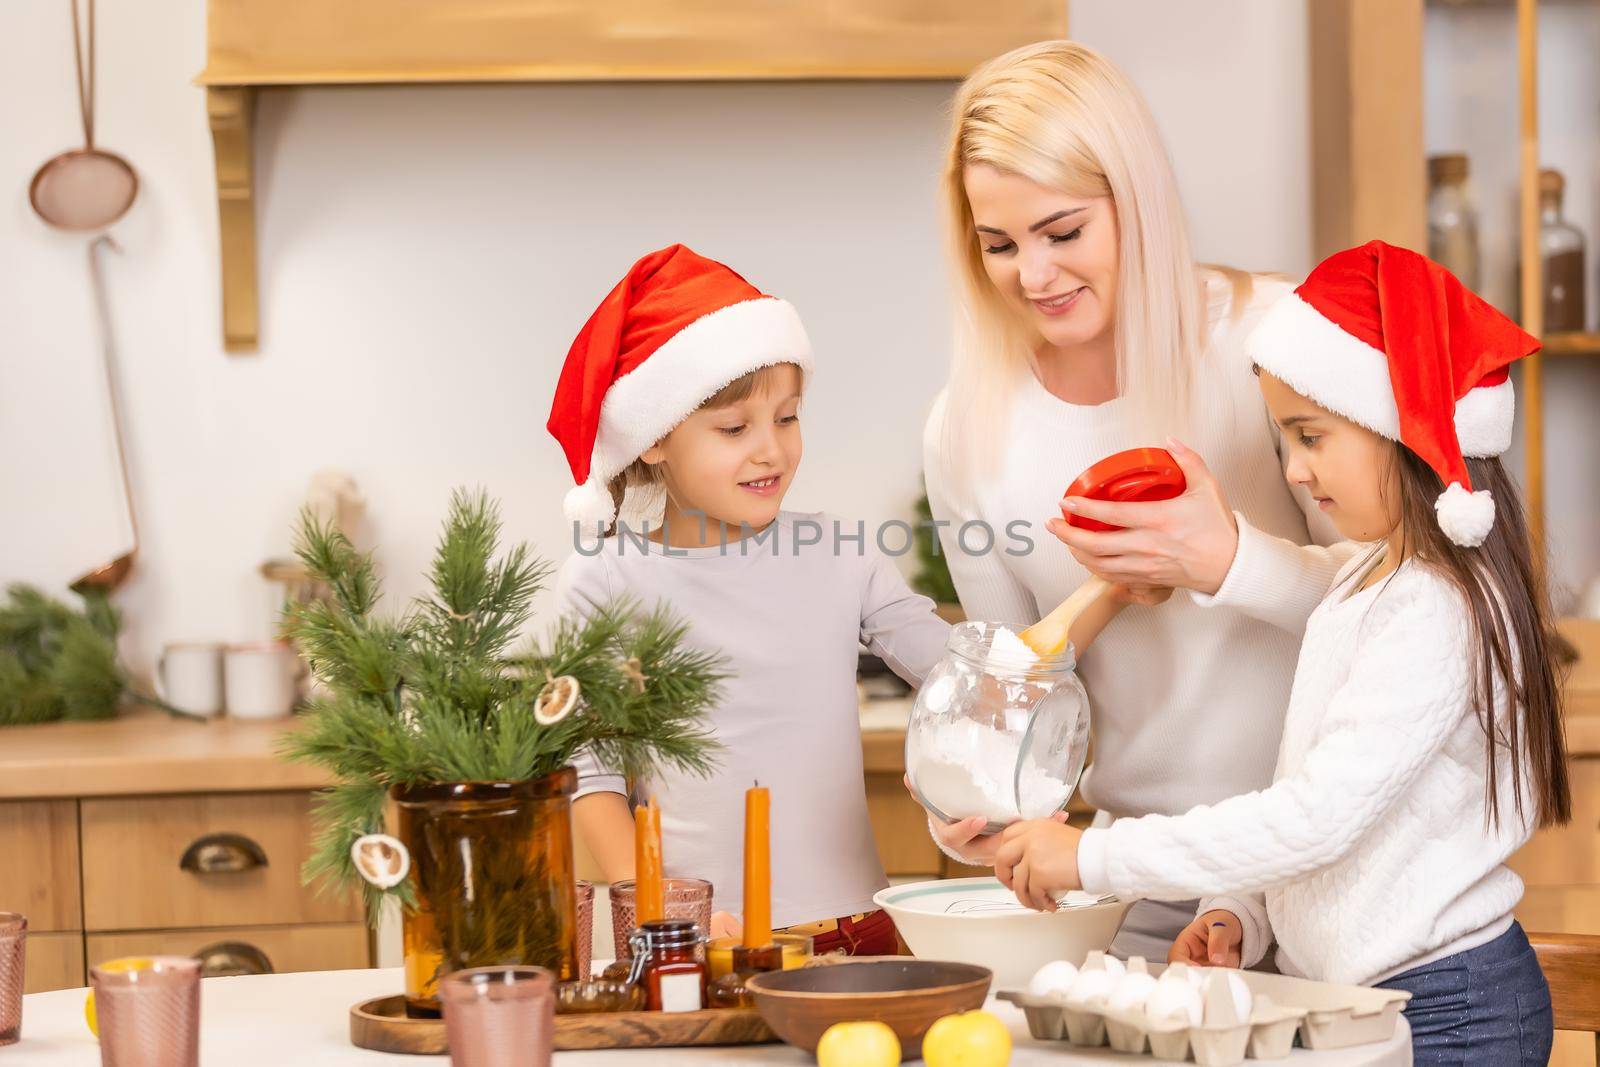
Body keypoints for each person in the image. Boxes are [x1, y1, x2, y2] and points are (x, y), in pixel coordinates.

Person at [990, 242, 1569, 1066]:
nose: (1294, 471)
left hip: (1450, 1012)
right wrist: (1242, 913)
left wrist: (1091, 856)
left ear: (1397, 427)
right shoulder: (1373, 579)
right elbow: (1331, 809)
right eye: (1284, 439)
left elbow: (1315, 820)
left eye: (1310, 436)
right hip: (1373, 1001)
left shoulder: (1436, 608)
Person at [920, 40, 1350, 957]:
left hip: (1329, 871)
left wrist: (1227, 558)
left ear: (1137, 202)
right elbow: (1018, 689)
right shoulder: (968, 428)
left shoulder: (1271, 342)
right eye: (999, 244)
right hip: (1135, 886)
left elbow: (1400, 606)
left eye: (1063, 232)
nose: (1034, 275)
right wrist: (973, 798)